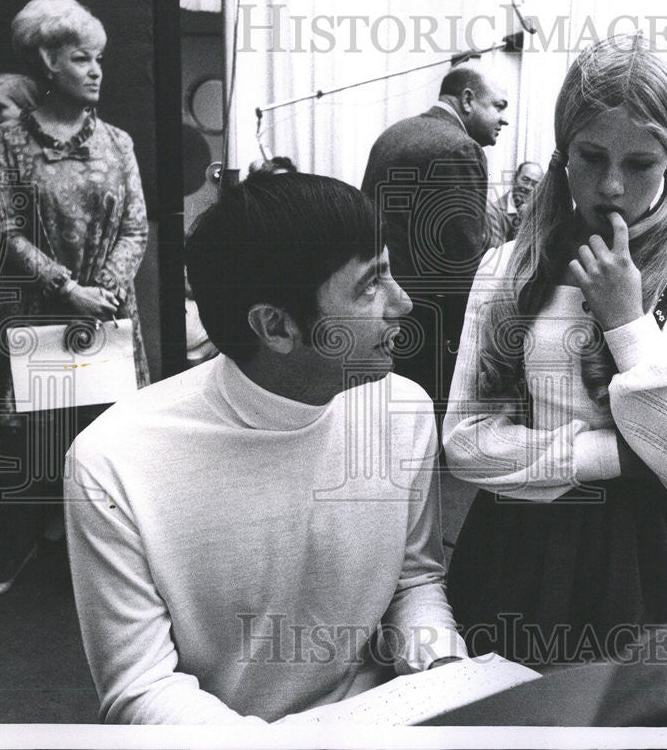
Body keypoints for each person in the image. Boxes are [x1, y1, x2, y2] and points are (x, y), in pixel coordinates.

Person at [64, 172, 467, 724]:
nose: (403, 302)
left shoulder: (404, 411)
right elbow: (140, 687)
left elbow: (413, 579)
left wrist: (442, 670)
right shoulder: (113, 459)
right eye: (371, 285)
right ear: (276, 326)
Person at [443, 34, 667, 666]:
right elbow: (465, 443)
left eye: (640, 165)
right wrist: (615, 456)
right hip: (518, 547)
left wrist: (627, 322)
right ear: (563, 153)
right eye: (591, 156)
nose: (610, 186)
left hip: (649, 559)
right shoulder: (506, 268)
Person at [0, 0, 149, 600]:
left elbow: (136, 227)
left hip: (104, 311)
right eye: (83, 59)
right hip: (47, 313)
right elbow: (6, 230)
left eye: (99, 58)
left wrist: (102, 289)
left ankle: (108, 569)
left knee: (104, 443)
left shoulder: (119, 143)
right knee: (44, 443)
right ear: (51, 63)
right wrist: (64, 288)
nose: (97, 70)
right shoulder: (12, 143)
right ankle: (26, 549)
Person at [361, 64, 508, 411]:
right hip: (432, 333)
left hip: (380, 315)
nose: (504, 120)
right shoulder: (461, 149)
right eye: (498, 106)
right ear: (468, 100)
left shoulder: (392, 135)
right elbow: (460, 264)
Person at [485, 160, 544, 247]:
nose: (528, 187)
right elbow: (497, 253)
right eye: (525, 180)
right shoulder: (493, 212)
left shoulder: (538, 213)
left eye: (534, 184)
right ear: (515, 178)